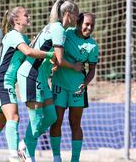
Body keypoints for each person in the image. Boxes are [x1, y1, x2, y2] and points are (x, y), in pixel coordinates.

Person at [0, 7, 54, 162]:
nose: (29, 16)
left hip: (4, 83)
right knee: (14, 118)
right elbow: (29, 53)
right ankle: (14, 157)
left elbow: (28, 60)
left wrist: (49, 61)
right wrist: (52, 54)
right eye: (26, 15)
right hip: (2, 82)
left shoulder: (22, 38)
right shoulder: (13, 35)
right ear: (16, 20)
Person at [17, 0, 83, 162]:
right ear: (68, 14)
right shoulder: (58, 29)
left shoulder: (55, 27)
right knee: (37, 120)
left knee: (52, 117)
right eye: (76, 14)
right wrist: (74, 66)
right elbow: (59, 59)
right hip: (31, 75)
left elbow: (50, 55)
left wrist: (51, 63)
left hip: (41, 77)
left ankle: (25, 143)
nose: (78, 18)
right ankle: (27, 155)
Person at [49, 12, 99, 162]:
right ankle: (56, 158)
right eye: (86, 24)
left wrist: (85, 83)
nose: (89, 27)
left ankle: (75, 159)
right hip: (59, 85)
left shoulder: (92, 46)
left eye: (92, 25)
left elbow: (92, 71)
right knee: (56, 121)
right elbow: (55, 52)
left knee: (75, 124)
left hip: (77, 88)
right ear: (79, 23)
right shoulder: (66, 33)